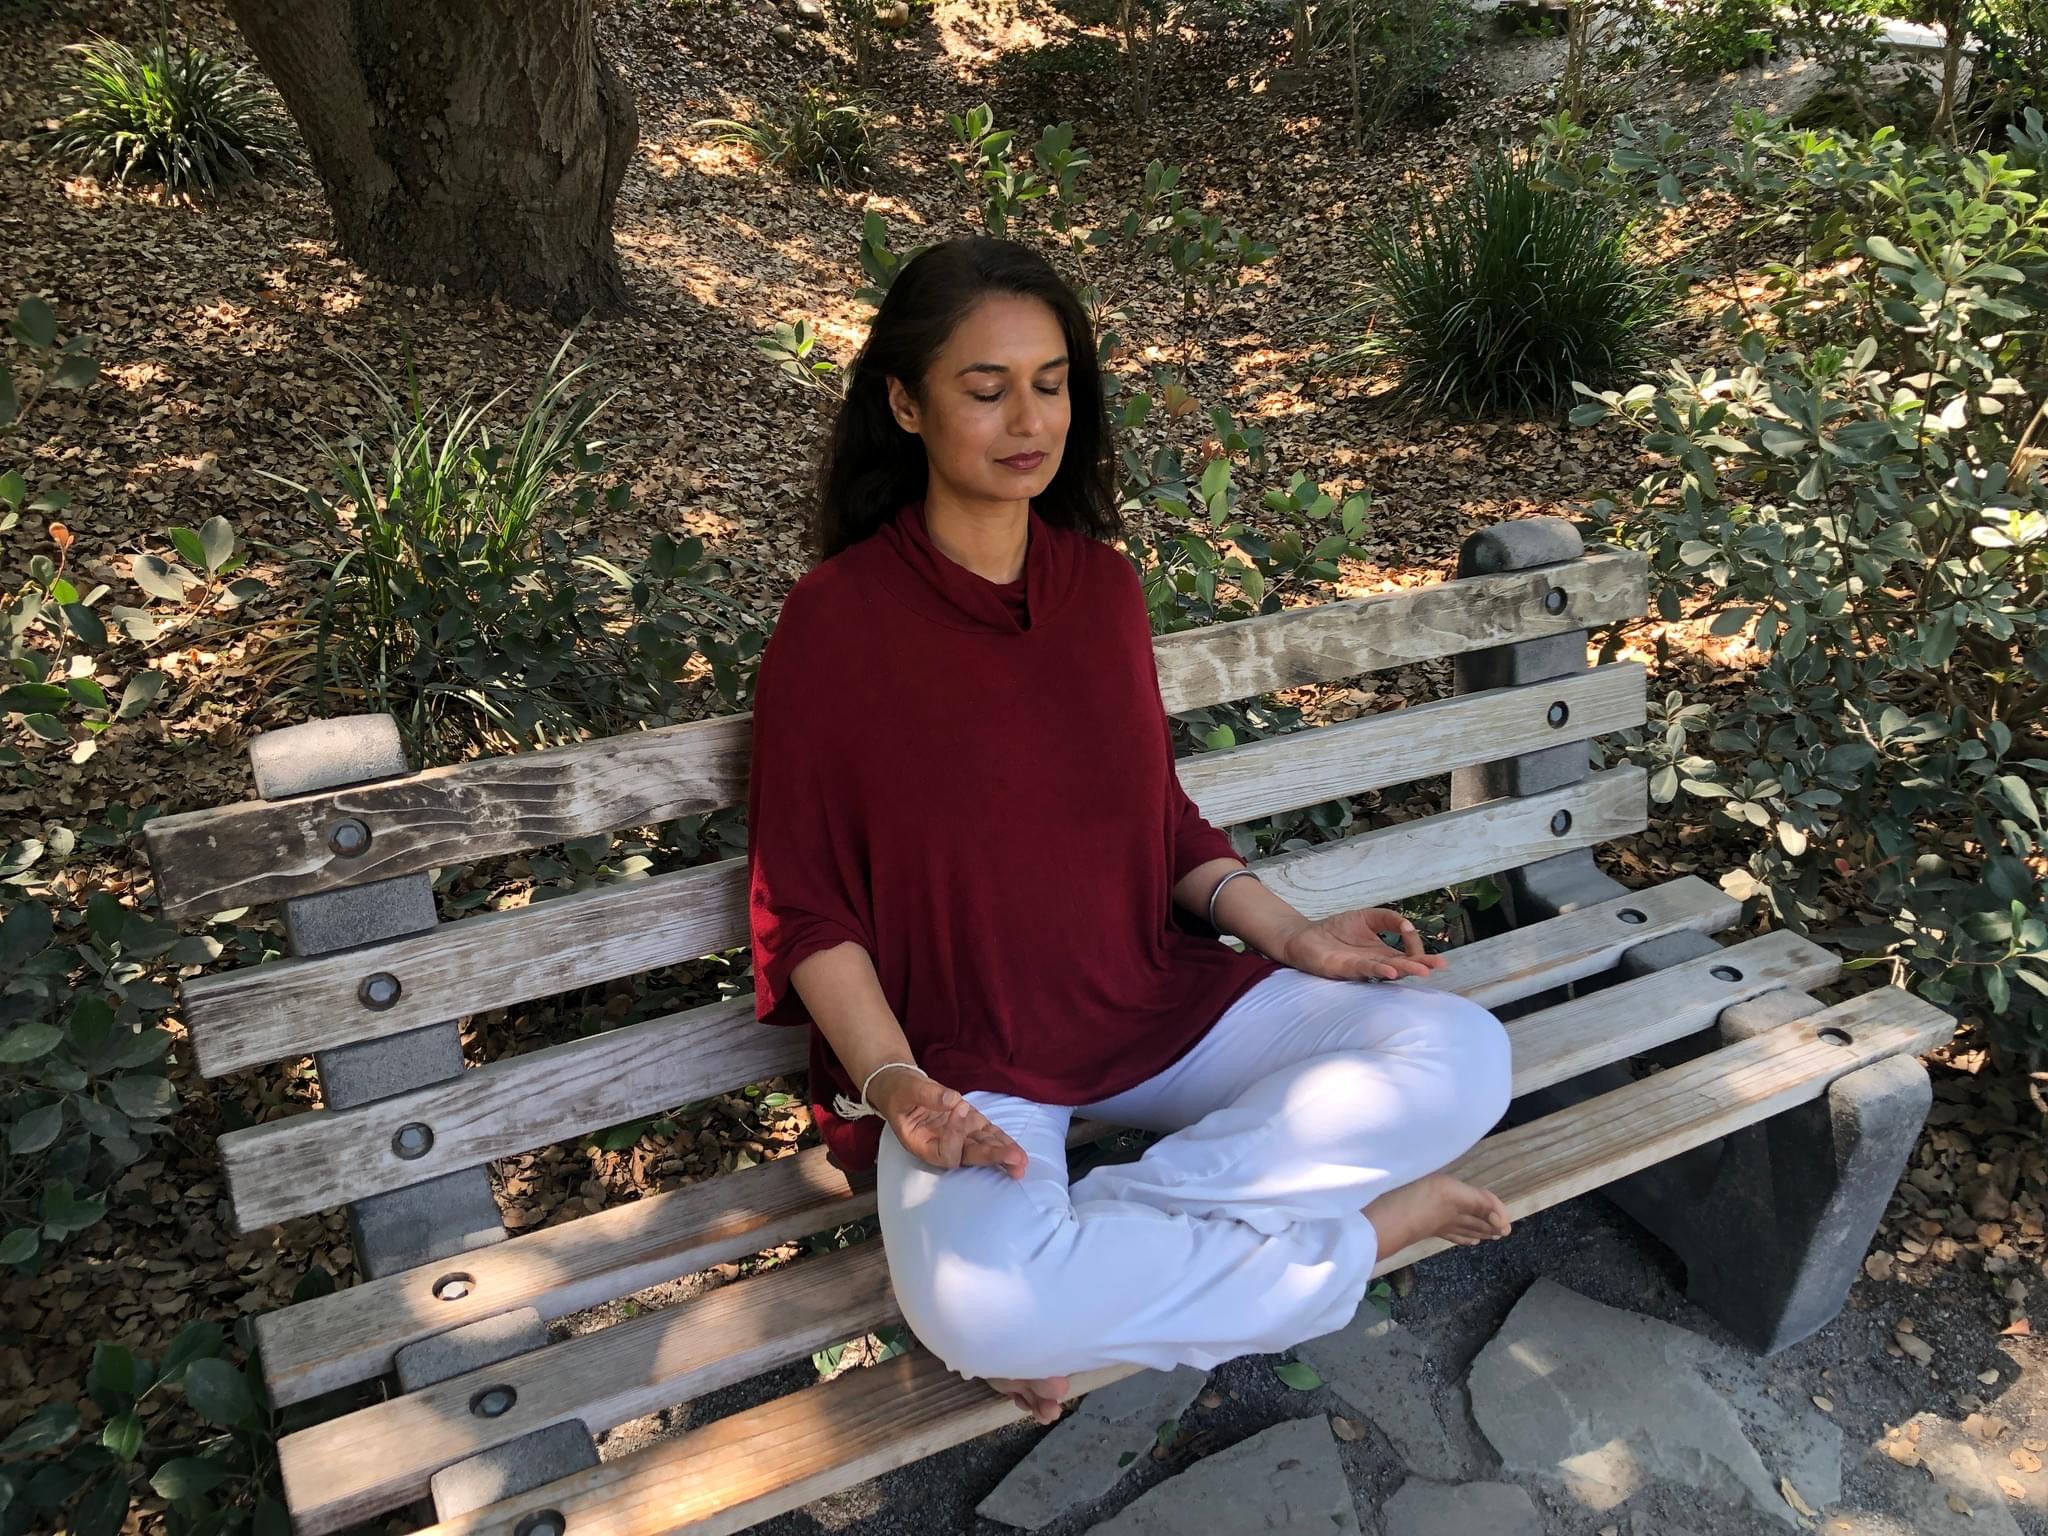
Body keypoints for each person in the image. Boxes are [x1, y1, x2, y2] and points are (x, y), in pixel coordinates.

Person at [744, 234, 1514, 1429]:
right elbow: (804, 908)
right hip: (970, 1057)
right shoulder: (834, 623)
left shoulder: (1099, 588)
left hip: (1153, 1004)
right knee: (986, 1303)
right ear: (903, 403)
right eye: (984, 388)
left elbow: (1158, 820)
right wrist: (897, 1086)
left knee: (1460, 1055)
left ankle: (1092, 1271)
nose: (1027, 420)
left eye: (1050, 384)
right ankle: (1352, 1240)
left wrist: (1294, 938)